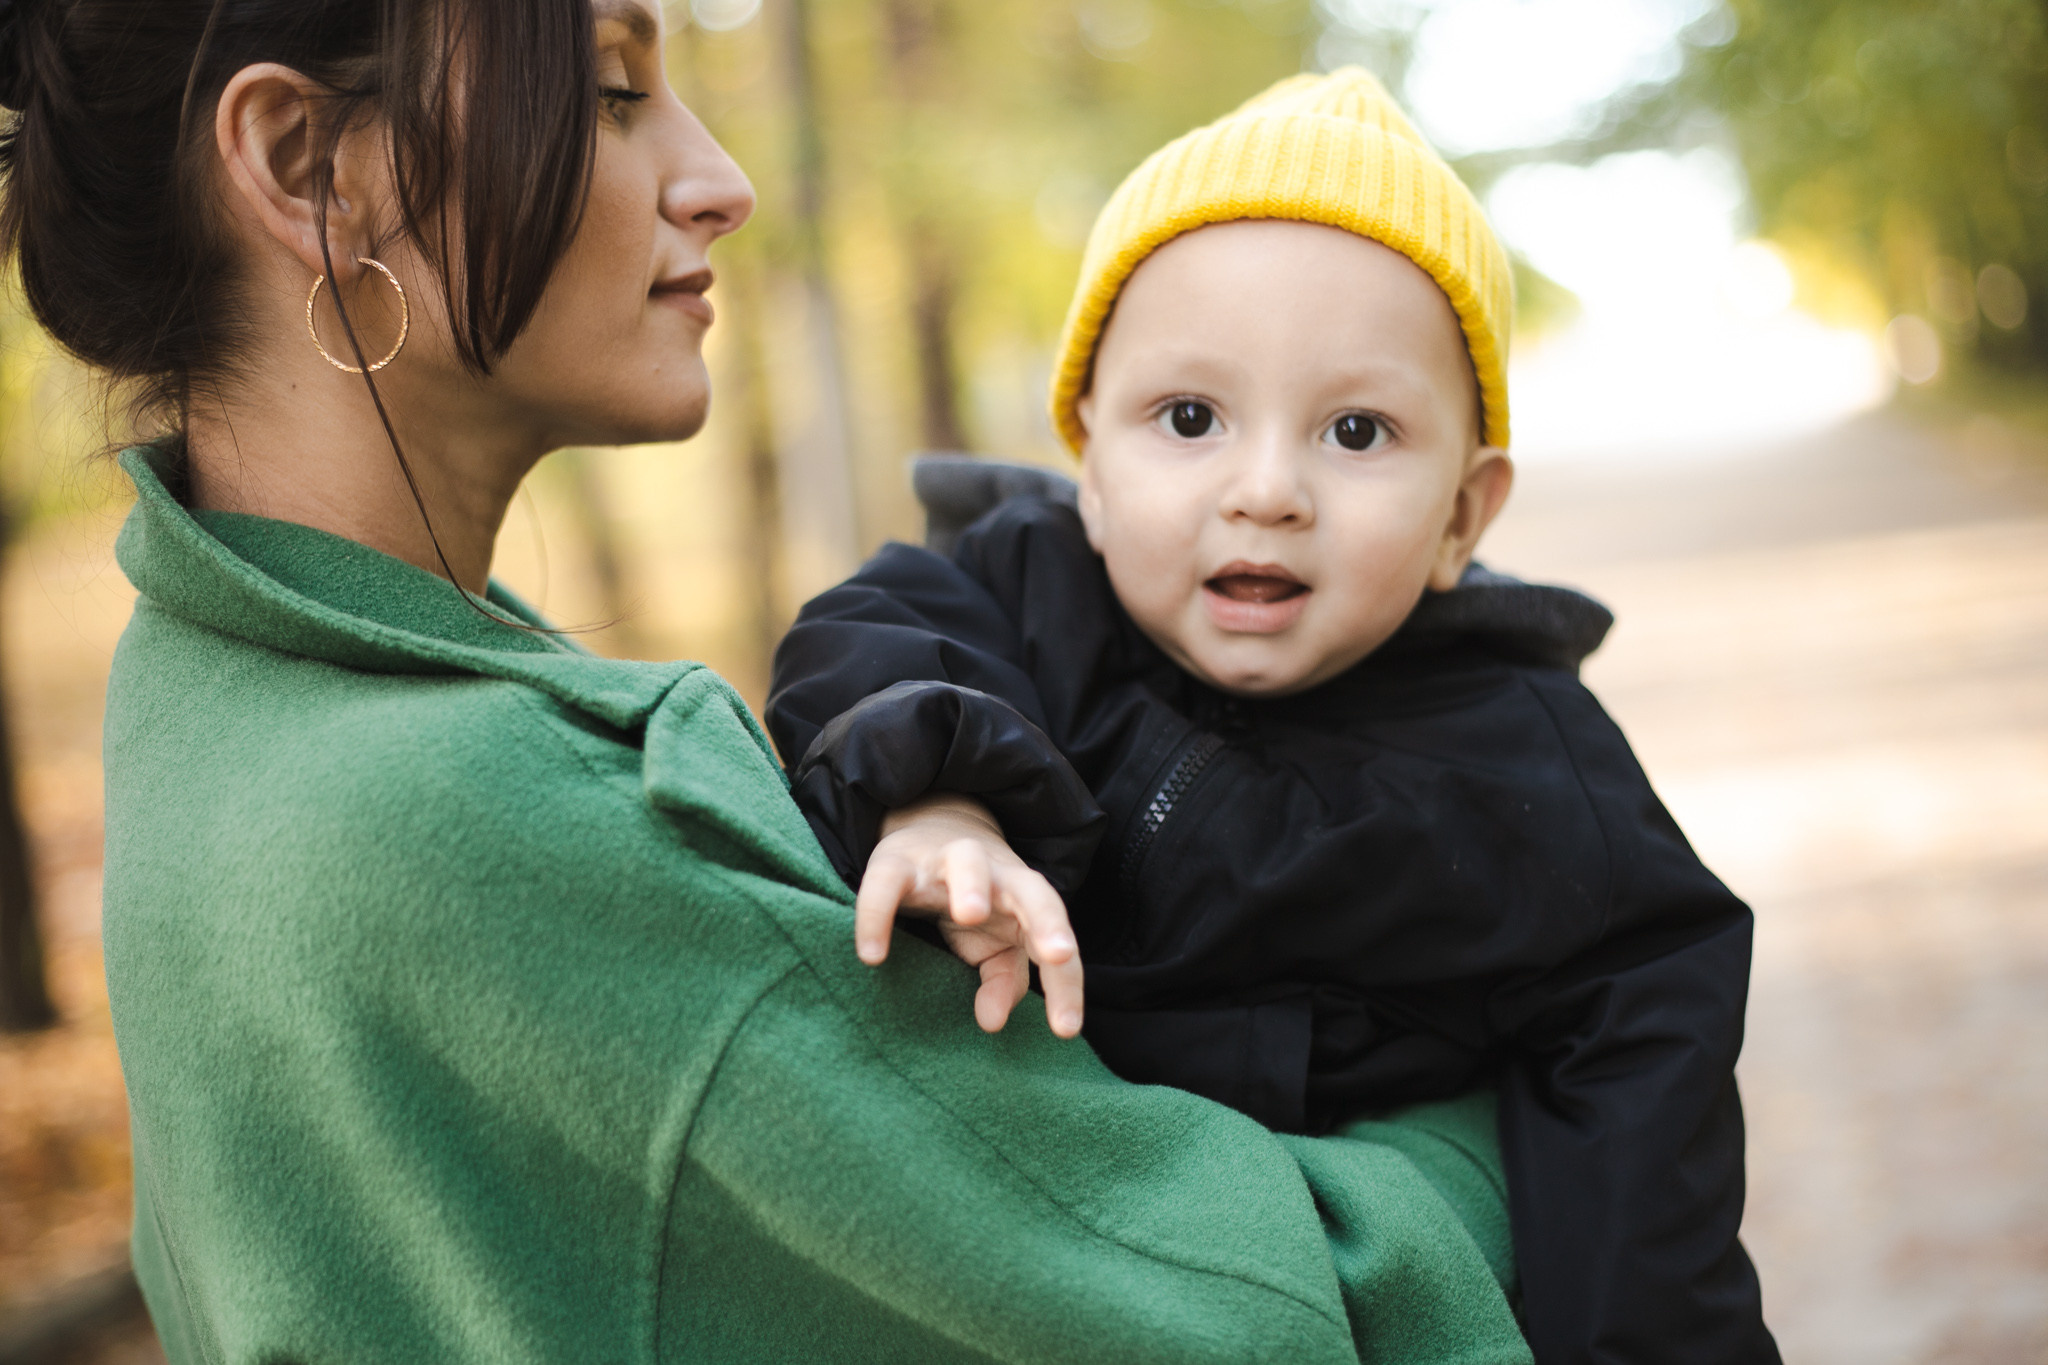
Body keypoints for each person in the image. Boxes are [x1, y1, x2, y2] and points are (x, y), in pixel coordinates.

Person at [1, 1, 1536, 1360]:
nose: (717, 178)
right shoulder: (509, 820)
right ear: (307, 166)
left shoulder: (208, 674)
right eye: (611, 86)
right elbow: (1286, 1320)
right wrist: (1502, 1092)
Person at [768, 70, 1781, 1364]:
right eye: (1188, 418)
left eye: (1355, 432)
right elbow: (870, 631)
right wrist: (945, 789)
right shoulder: (1022, 594)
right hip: (1019, 1254)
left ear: (1465, 516)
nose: (1266, 489)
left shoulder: (1522, 761)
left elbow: (1647, 1080)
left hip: (1312, 1285)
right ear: (1087, 456)